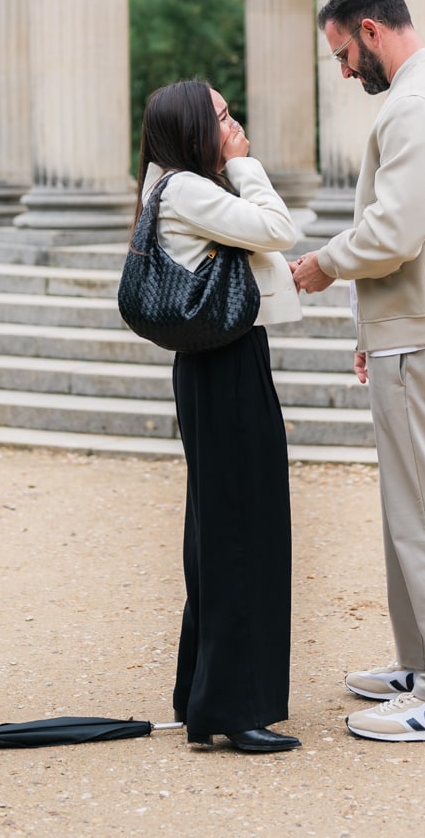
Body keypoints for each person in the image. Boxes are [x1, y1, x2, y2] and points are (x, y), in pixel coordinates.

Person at [291, 0, 425, 745]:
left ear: (371, 30)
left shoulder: (415, 103)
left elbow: (394, 232)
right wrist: (369, 330)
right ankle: (422, 662)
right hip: (422, 325)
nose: (345, 71)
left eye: (344, 52)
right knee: (408, 508)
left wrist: (322, 265)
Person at [133, 78, 302, 755]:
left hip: (209, 365)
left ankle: (203, 692)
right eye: (223, 118)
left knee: (218, 527)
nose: (235, 125)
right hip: (226, 361)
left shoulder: (164, 185)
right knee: (242, 529)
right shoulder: (192, 189)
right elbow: (278, 228)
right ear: (197, 132)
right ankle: (233, 707)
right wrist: (243, 163)